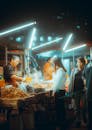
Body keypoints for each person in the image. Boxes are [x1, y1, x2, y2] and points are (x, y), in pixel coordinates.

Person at [69, 57, 87, 127]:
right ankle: (78, 120)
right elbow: (71, 81)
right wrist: (70, 91)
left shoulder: (85, 70)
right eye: (77, 62)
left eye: (78, 62)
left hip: (83, 91)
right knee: (76, 107)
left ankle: (84, 119)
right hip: (75, 91)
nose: (77, 63)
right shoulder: (74, 70)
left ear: (82, 63)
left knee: (84, 106)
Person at [52, 57, 68, 130]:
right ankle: (62, 123)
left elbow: (56, 83)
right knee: (61, 108)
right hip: (61, 91)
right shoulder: (61, 70)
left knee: (59, 108)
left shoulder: (60, 70)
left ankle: (61, 124)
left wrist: (53, 92)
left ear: (56, 63)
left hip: (59, 92)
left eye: (53, 63)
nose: (52, 65)